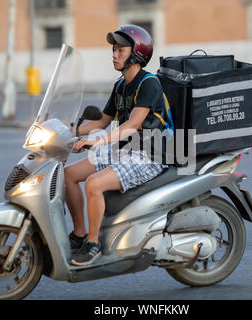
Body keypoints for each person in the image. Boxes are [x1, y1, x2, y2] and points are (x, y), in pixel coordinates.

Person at [64, 25, 170, 266]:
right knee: (68, 175)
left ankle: (94, 244)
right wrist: (66, 130)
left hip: (151, 153)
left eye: (120, 50)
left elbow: (132, 125)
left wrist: (97, 141)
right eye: (114, 49)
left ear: (136, 54)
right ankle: (80, 234)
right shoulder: (120, 85)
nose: (114, 54)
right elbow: (102, 121)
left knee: (94, 184)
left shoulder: (149, 83)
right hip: (126, 150)